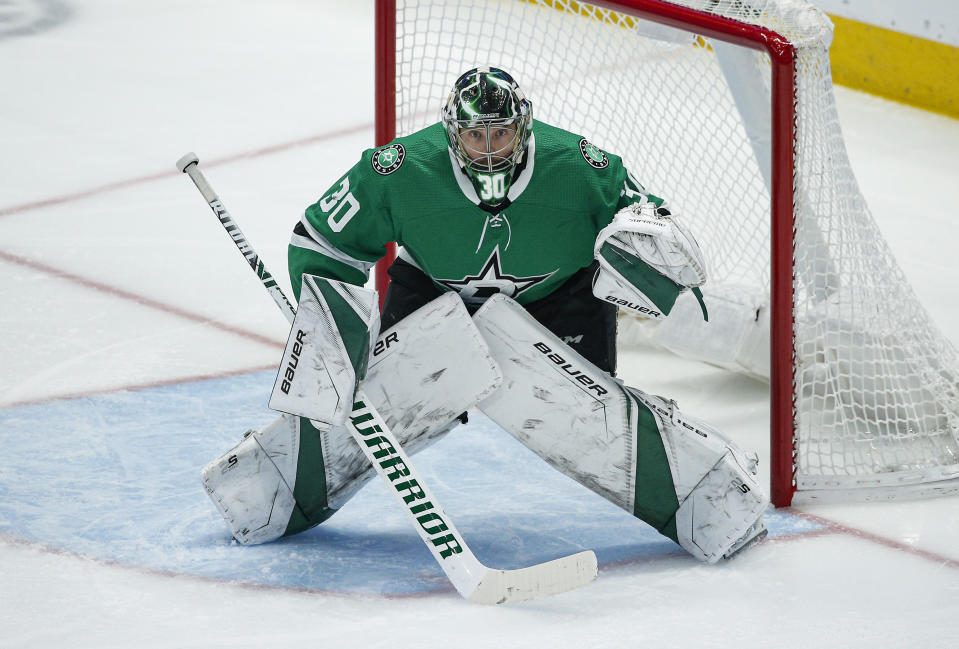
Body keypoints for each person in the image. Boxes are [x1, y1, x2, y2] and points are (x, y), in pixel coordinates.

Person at [202, 68, 768, 564]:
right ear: (454, 133)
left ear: (524, 128)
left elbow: (647, 224)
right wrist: (328, 332)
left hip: (560, 299)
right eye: (477, 134)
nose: (490, 147)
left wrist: (651, 250)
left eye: (501, 133)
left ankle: (707, 494)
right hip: (430, 292)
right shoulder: (399, 169)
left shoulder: (579, 165)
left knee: (591, 417)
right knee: (371, 401)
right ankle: (278, 489)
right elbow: (321, 243)